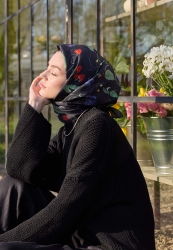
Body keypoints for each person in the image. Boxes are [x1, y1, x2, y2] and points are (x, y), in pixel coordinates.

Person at [0, 44, 155, 250]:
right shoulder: (73, 126)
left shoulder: (97, 127)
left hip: (109, 245)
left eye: (53, 72)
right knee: (15, 187)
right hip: (81, 234)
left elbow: (66, 207)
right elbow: (20, 167)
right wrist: (34, 105)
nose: (42, 76)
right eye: (47, 68)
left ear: (76, 82)